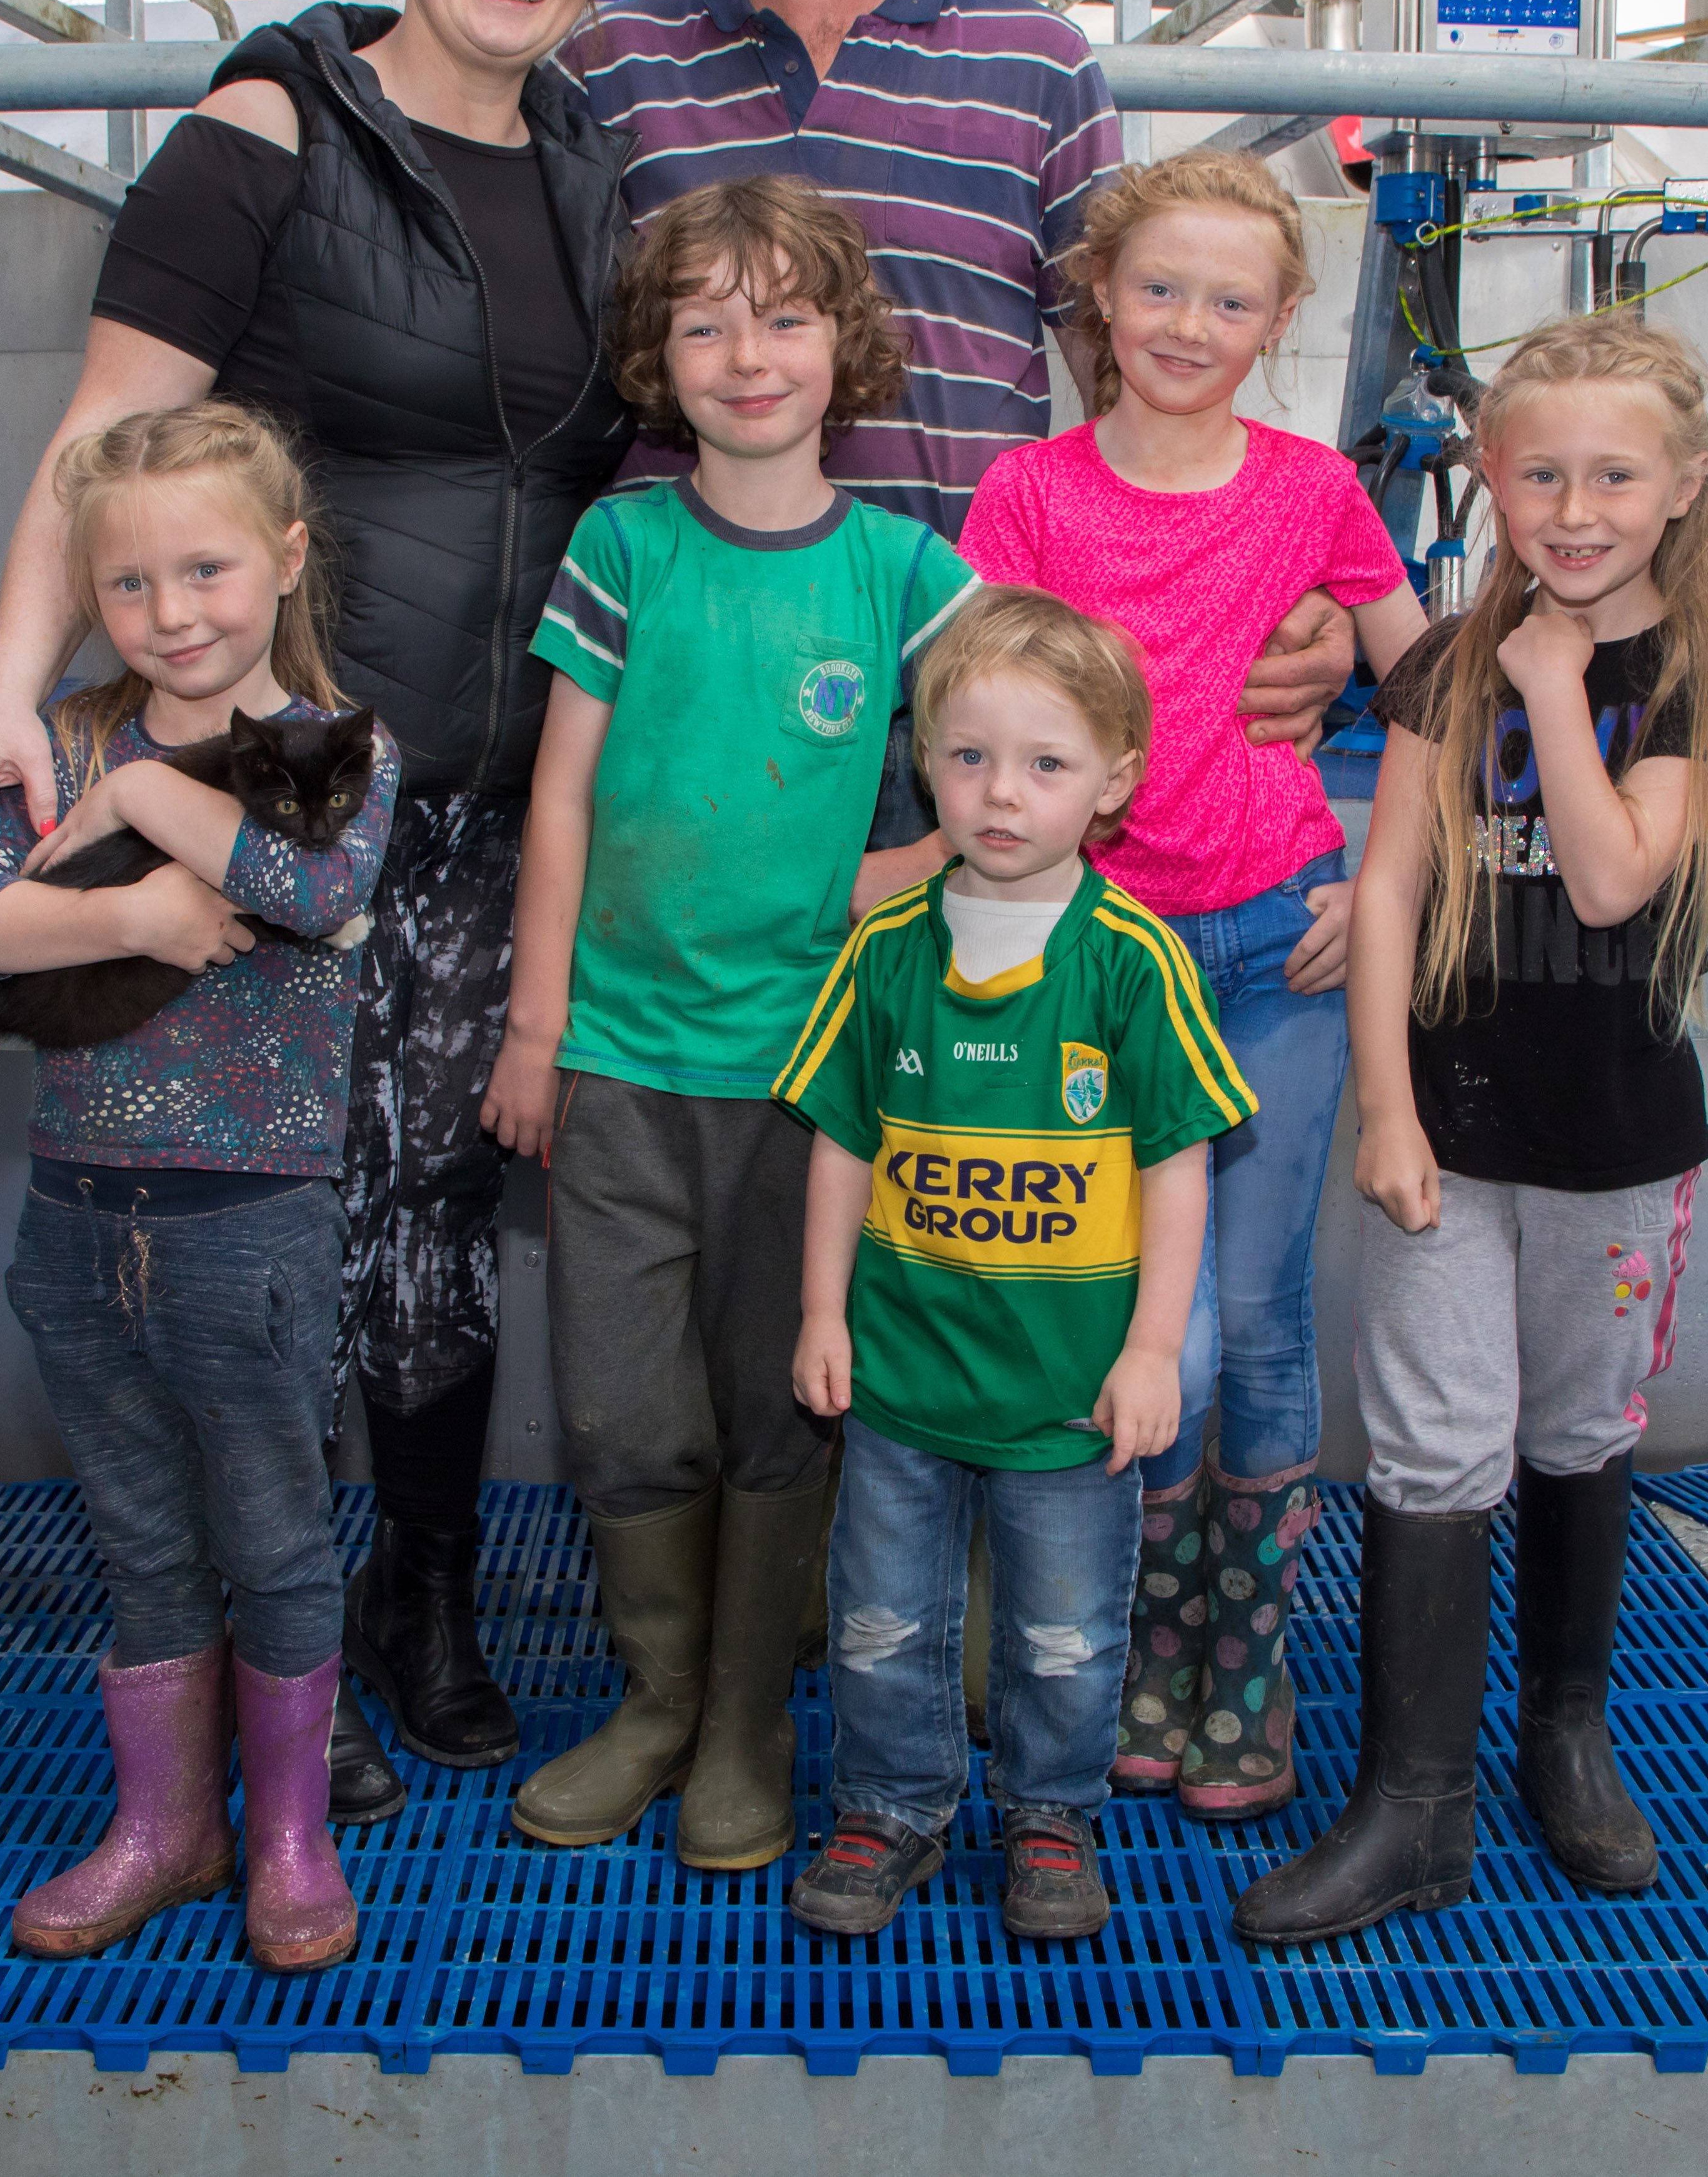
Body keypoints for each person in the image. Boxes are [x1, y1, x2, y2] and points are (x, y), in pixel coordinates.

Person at [0, 0, 645, 1816]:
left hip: (502, 781)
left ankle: (409, 1598)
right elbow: (103, 436)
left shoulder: (593, 163)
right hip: (296, 778)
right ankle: (264, 1611)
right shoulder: (265, 130)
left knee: (424, 1210)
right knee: (278, 1211)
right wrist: (2, 701)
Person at [562, 0, 1354, 741]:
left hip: (957, 699)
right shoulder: (610, 65)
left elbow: (1139, 388)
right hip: (681, 691)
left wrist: (1269, 590)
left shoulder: (1038, 66)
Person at [1231, 316, 1708, 1946]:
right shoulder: (1443, 664)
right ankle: (1414, 1802)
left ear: (1682, 487)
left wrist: (1553, 678)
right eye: (1539, 471)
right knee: (1432, 1441)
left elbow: (1610, 878)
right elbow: (1386, 882)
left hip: (1614, 1144)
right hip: (1447, 1133)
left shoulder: (1699, 671)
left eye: (1614, 472)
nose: (1574, 505)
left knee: (1579, 1429)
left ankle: (1566, 1730)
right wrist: (1384, 1104)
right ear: (1488, 478)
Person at [486, 175, 974, 1869]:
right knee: (622, 1404)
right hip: (622, 1054)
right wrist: (537, 1020)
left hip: (813, 1075)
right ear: (656, 356)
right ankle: (658, 1697)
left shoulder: (910, 567)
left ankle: (751, 1720)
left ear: (846, 343)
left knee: (785, 1396)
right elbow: (561, 796)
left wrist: (903, 866)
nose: (746, 353)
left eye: (783, 315)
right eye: (703, 320)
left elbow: (1037, 741)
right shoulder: (624, 546)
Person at [957, 149, 1427, 1824]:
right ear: (1102, 295)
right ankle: (1147, 1641)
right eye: (1160, 287)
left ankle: (1246, 1666)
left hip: (1274, 941)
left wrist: (1377, 876)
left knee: (1256, 1311)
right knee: (1154, 1322)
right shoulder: (1028, 493)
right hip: (1104, 962)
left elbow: (1425, 685)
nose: (1189, 322)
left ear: (1282, 319)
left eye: (1232, 298)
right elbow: (986, 698)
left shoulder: (1312, 490)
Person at [0, 400, 399, 1973]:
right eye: (128, 587)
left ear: (286, 558)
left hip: (246, 1226)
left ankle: (290, 1832)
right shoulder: (44, 735)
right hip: (75, 1216)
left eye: (207, 570)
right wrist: (131, 916)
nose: (173, 613)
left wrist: (130, 807)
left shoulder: (344, 745)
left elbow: (313, 888)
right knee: (136, 1529)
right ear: (85, 589)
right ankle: (163, 1825)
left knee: (274, 1527)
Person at [775, 587, 1252, 1943]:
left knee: (1061, 1631)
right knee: (878, 1615)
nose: (1001, 792)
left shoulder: (1130, 960)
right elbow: (839, 1143)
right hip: (903, 1380)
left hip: (1065, 1395)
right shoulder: (884, 949)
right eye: (970, 755)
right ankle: (890, 1801)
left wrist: (1154, 1347)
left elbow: (1179, 1162)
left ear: (1115, 780)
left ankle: (1051, 1812)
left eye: (1046, 763)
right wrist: (823, 1309)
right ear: (926, 760)